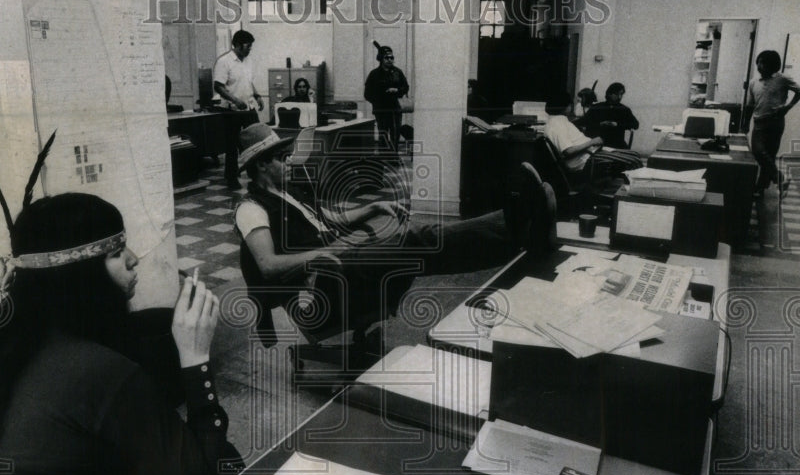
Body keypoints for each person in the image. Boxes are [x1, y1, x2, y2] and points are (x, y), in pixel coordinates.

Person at [0, 188, 243, 475]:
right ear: (79, 275)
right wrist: (196, 358)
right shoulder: (99, 372)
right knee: (224, 459)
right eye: (116, 253)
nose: (134, 260)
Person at [233, 124, 556, 342]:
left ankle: (517, 226)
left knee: (416, 238)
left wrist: (374, 207)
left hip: (338, 265)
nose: (290, 163)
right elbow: (268, 266)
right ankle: (516, 229)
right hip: (316, 289)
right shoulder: (251, 208)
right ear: (262, 165)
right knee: (410, 242)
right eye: (282, 159)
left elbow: (331, 220)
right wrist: (319, 254)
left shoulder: (291, 192)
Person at [543, 92, 642, 185]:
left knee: (634, 154)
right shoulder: (557, 124)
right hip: (586, 160)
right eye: (570, 104)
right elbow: (568, 151)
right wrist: (592, 142)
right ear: (566, 107)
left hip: (590, 153)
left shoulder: (557, 121)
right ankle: (635, 194)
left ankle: (633, 191)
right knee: (633, 161)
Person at [749, 49, 800, 198]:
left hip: (775, 122)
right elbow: (750, 105)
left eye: (763, 63)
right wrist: (745, 125)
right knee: (758, 151)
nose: (759, 67)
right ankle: (780, 179)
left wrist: (787, 107)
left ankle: (760, 189)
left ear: (772, 65)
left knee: (770, 156)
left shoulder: (783, 79)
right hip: (759, 123)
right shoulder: (753, 82)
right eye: (758, 63)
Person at [213, 30, 264, 189]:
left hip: (248, 108)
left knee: (255, 142)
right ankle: (231, 178)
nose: (250, 49)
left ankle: (254, 174)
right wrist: (235, 100)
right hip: (231, 110)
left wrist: (257, 95)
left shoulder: (247, 61)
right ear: (238, 45)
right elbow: (218, 87)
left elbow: (248, 82)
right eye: (248, 46)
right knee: (232, 146)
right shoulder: (224, 62)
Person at [364, 43, 409, 152]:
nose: (390, 60)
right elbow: (367, 94)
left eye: (391, 57)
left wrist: (397, 90)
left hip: (395, 108)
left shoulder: (398, 72)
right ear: (380, 59)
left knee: (395, 133)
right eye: (386, 58)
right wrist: (379, 99)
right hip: (381, 109)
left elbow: (406, 87)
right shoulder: (374, 74)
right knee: (383, 134)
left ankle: (394, 156)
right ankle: (383, 157)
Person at [581, 82, 639, 149]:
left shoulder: (624, 109)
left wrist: (617, 124)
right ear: (609, 94)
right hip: (597, 144)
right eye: (617, 94)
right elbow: (584, 122)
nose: (620, 97)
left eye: (621, 94)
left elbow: (636, 124)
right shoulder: (597, 107)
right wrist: (600, 124)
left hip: (617, 144)